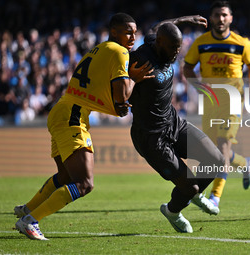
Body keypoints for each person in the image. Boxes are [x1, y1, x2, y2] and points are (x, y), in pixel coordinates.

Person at [13, 13, 154, 240]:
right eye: (128, 31)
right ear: (114, 31)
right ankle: (30, 221)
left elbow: (106, 95)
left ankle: (28, 209)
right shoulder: (120, 52)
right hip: (73, 114)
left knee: (66, 177)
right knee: (85, 184)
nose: (133, 36)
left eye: (135, 31)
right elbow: (122, 95)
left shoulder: (98, 49)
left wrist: (117, 103)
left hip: (62, 109)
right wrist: (134, 79)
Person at [129, 18, 228, 233]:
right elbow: (118, 87)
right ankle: (176, 209)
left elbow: (160, 25)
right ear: (160, 43)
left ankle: (178, 204)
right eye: (173, 47)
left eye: (179, 47)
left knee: (217, 160)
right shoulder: (138, 59)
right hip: (150, 137)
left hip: (174, 123)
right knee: (190, 186)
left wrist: (187, 19)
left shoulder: (157, 37)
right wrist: (126, 91)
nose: (176, 52)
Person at [183, 1, 250, 209]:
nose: (221, 19)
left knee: (223, 146)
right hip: (210, 102)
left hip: (234, 100)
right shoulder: (201, 43)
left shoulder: (242, 43)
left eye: (224, 15)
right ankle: (246, 163)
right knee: (214, 152)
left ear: (231, 18)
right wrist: (197, 86)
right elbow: (187, 68)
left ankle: (215, 197)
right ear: (211, 18)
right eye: (217, 15)